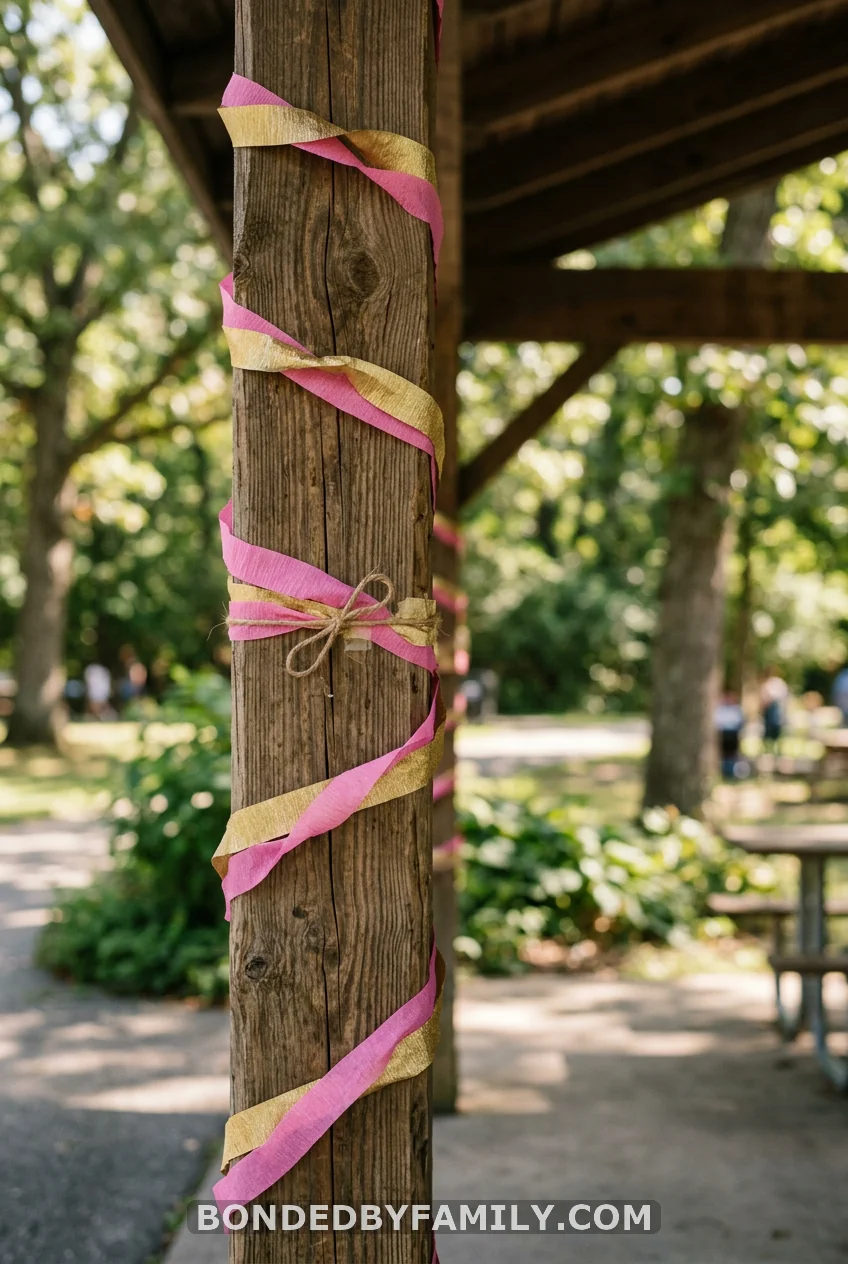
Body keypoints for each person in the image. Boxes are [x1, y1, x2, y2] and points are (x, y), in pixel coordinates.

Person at [715, 689, 747, 780]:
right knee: (724, 755)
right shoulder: (720, 709)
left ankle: (731, 773)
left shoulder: (736, 709)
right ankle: (725, 772)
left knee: (732, 755)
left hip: (733, 735)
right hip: (724, 735)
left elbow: (740, 722)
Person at [760, 666, 789, 751]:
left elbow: (767, 698)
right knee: (774, 730)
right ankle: (773, 749)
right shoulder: (779, 683)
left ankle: (772, 749)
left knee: (773, 730)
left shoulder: (771, 683)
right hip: (775, 709)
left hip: (773, 709)